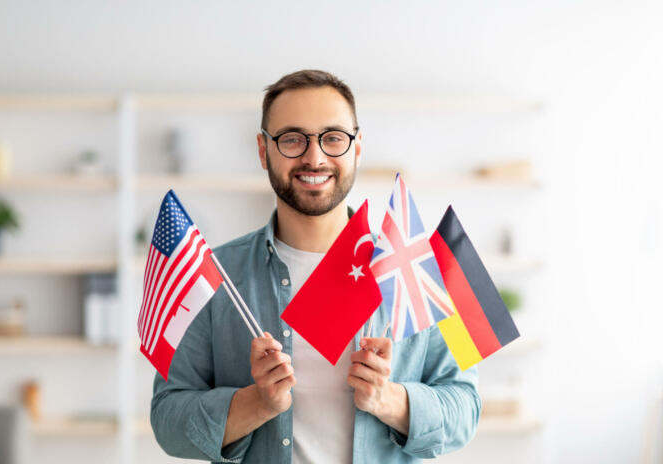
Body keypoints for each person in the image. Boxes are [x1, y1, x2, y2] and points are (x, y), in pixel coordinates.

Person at [150, 69, 480, 463]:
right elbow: (167, 420)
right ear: (263, 150)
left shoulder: (422, 266)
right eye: (292, 139)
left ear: (357, 147)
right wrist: (257, 403)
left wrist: (389, 399)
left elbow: (467, 408)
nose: (315, 157)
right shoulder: (213, 275)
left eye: (333, 138)